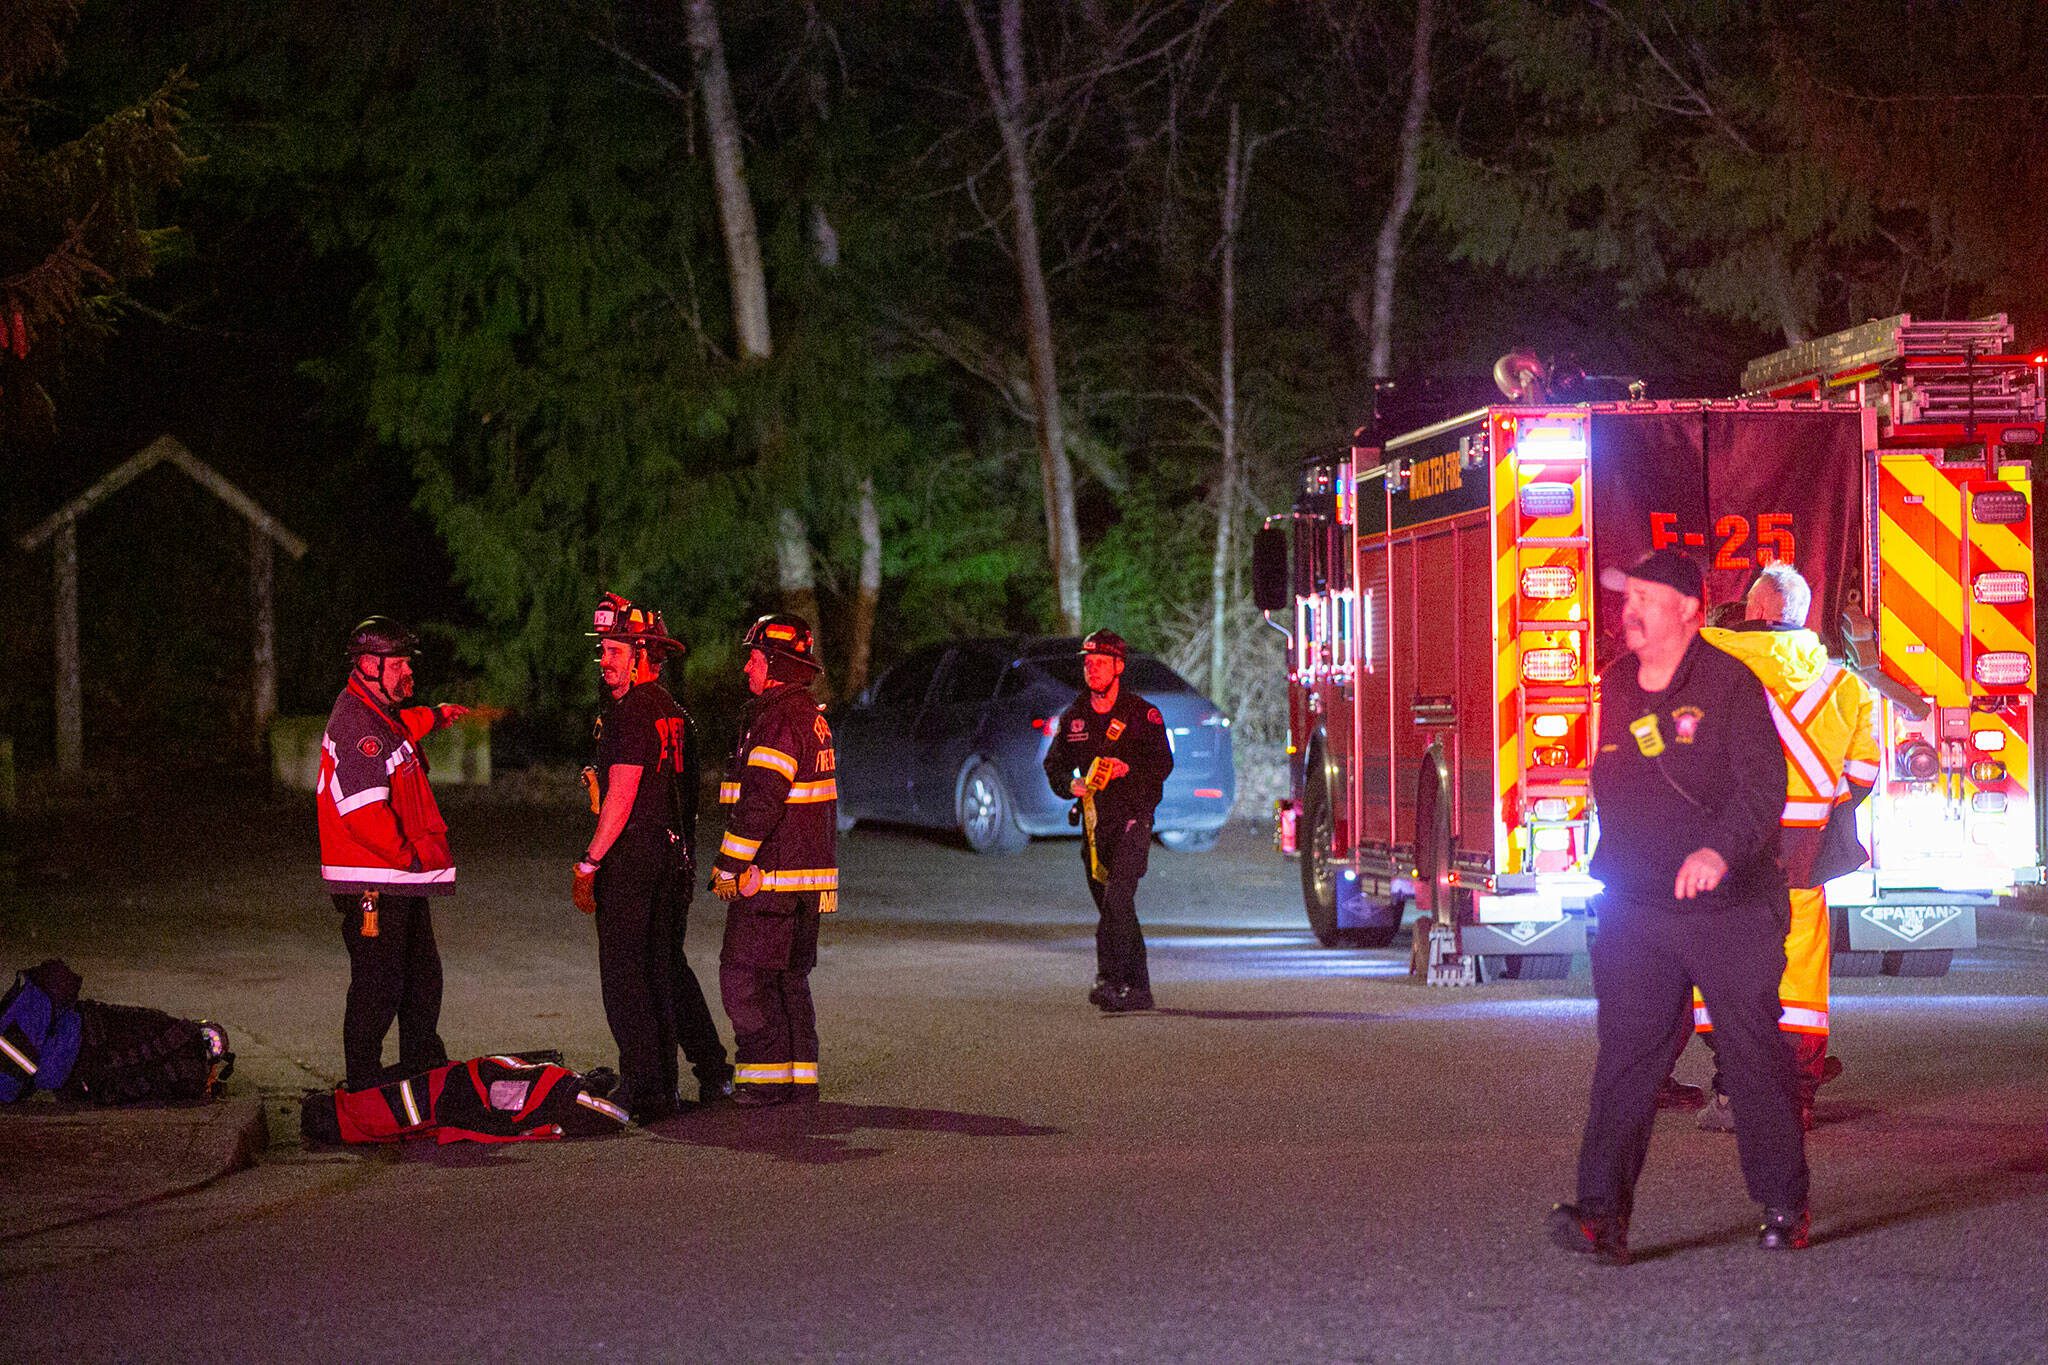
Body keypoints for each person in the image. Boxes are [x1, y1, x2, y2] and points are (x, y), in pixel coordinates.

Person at [1547, 550, 1810, 1264]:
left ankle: (1784, 1200)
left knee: (1751, 1052)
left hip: (1728, 908)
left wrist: (1718, 850)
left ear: (1690, 610)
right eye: (1628, 597)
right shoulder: (1614, 684)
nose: (1631, 611)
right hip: (1637, 907)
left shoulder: (1731, 685)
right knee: (1628, 1058)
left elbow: (1764, 789)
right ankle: (1602, 1215)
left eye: (1649, 600)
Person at [1688, 563, 1879, 1132]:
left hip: (1725, 849)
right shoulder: (1843, 686)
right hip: (1802, 855)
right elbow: (1864, 773)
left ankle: (1732, 1092)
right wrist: (1818, 811)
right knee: (1798, 974)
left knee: (1723, 966)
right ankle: (1795, 1095)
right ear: (1795, 618)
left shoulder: (1707, 670)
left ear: (1757, 613)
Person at [575, 593, 732, 1122]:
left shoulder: (631, 713)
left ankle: (646, 1087)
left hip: (632, 862)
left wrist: (589, 861)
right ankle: (693, 1077)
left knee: (624, 975)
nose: (605, 660)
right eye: (604, 650)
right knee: (662, 969)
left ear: (644, 653)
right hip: (671, 860)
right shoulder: (674, 714)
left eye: (616, 650)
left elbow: (622, 794)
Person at [316, 616, 469, 1089]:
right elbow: (363, 815)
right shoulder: (357, 726)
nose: (408, 673)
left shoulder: (377, 714)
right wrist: (412, 858)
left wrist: (438, 715)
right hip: (375, 881)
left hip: (395, 879)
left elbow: (400, 729)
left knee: (422, 980)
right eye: (398, 664)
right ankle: (362, 1086)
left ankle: (422, 1070)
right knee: (379, 987)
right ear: (367, 665)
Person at [710, 613, 837, 1107]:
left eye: (755, 657)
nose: (747, 668)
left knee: (742, 976)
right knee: (788, 979)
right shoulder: (810, 717)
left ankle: (764, 1078)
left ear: (777, 664)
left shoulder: (779, 720)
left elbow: (759, 803)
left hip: (770, 878)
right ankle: (797, 1078)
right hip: (804, 881)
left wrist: (727, 868)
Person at [1041, 629, 1174, 1013]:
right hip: (1095, 828)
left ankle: (1109, 979)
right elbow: (1055, 766)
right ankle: (1140, 990)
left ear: (1119, 666)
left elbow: (1162, 764)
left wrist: (1126, 768)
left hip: (1134, 820)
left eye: (1100, 662)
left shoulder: (1142, 714)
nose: (1092, 669)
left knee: (1118, 899)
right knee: (1116, 908)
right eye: (1087, 663)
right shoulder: (1076, 717)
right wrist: (1072, 785)